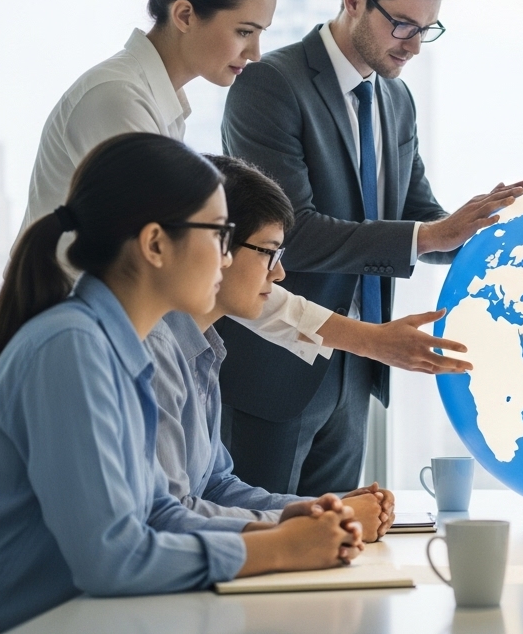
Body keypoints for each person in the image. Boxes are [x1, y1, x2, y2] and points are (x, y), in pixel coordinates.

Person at [0, 134, 363, 634]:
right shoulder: (73, 348)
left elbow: (159, 509)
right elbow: (111, 557)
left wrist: (280, 528)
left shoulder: (112, 345)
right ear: (154, 244)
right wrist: (275, 547)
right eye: (217, 235)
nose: (228, 258)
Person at [19, 0, 466, 400]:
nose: (253, 53)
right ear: (185, 15)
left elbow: (214, 270)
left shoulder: (158, 107)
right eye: (244, 32)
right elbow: (200, 270)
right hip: (80, 353)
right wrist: (366, 337)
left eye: (260, 34)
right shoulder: (116, 100)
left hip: (116, 350)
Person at [220, 0, 523, 496]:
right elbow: (293, 234)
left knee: (333, 548)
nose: (413, 45)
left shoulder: (395, 98)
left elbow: (418, 214)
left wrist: (505, 241)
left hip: (357, 366)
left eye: (427, 30)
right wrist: (431, 235)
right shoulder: (271, 85)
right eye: (402, 24)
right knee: (261, 543)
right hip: (275, 368)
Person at [148, 155, 398, 538]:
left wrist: (327, 508)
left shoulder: (204, 349)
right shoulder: (155, 351)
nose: (279, 273)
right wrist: (318, 523)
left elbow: (216, 485)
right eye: (268, 251)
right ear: (216, 246)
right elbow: (169, 516)